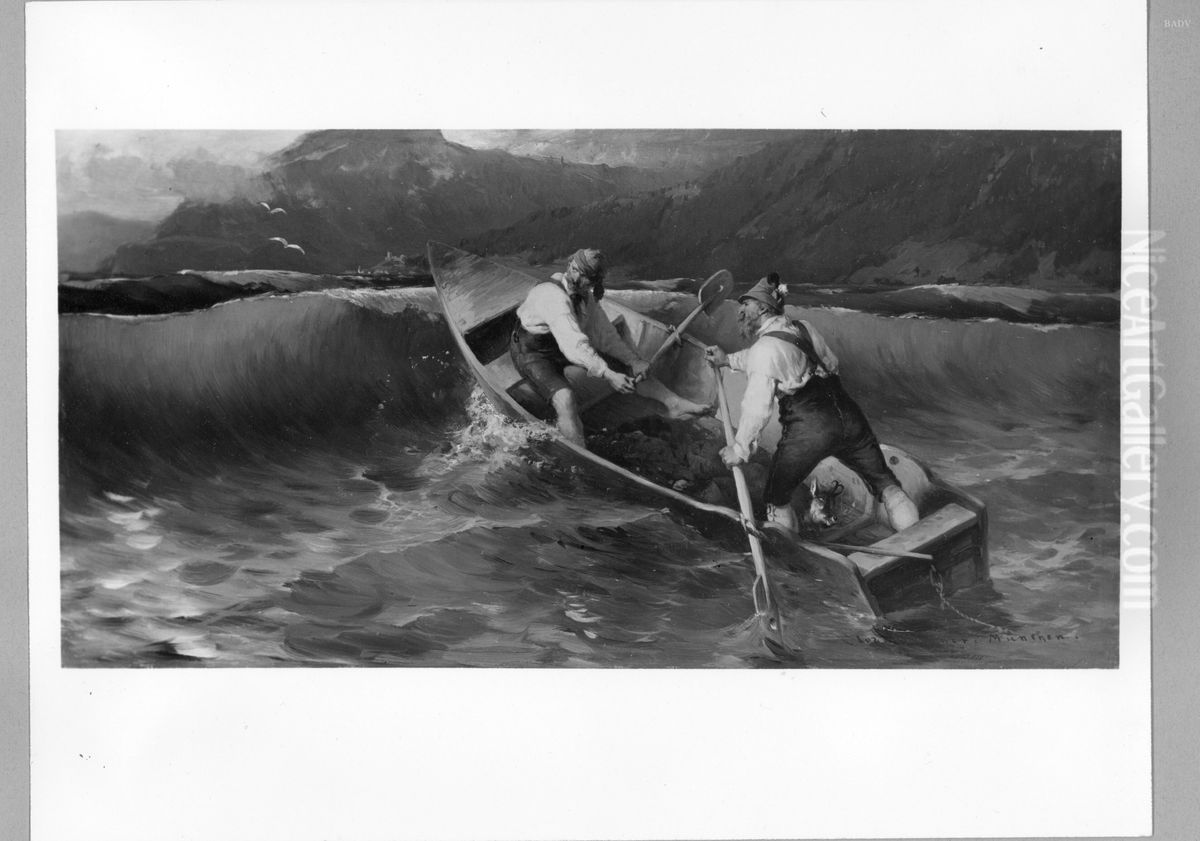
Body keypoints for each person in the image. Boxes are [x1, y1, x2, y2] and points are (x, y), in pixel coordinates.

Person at [704, 272, 920, 534]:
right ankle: (916, 540)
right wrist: (728, 360)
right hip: (848, 415)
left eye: (746, 304)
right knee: (888, 486)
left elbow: (757, 409)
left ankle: (789, 556)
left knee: (777, 496)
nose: (740, 310)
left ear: (762, 308)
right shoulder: (803, 328)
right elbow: (829, 364)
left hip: (810, 427)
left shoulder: (765, 350)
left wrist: (739, 450)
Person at [510, 248, 710, 447]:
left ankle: (674, 404)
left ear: (594, 281)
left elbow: (606, 336)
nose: (577, 277)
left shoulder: (585, 298)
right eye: (574, 269)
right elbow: (574, 345)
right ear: (570, 266)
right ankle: (578, 453)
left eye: (585, 276)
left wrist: (634, 361)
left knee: (629, 369)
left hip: (563, 346)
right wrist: (608, 374)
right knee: (565, 399)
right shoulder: (553, 296)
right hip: (532, 351)